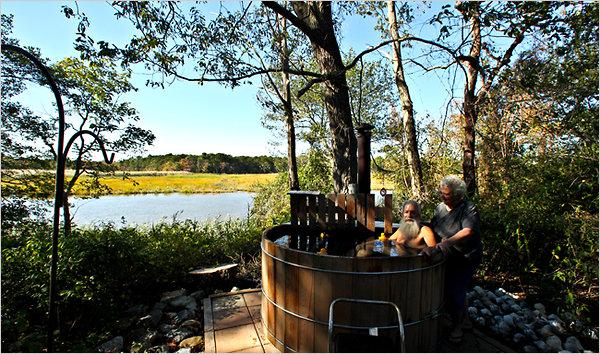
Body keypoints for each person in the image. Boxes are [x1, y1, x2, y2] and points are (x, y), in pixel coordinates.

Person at [427, 175, 482, 344]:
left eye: (447, 194)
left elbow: (468, 230)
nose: (443, 196)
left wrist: (448, 242)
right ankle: (465, 320)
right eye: (441, 193)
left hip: (465, 257)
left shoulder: (468, 208)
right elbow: (432, 226)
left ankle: (457, 326)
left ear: (458, 195)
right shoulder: (439, 208)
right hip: (447, 256)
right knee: (456, 289)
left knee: (454, 290)